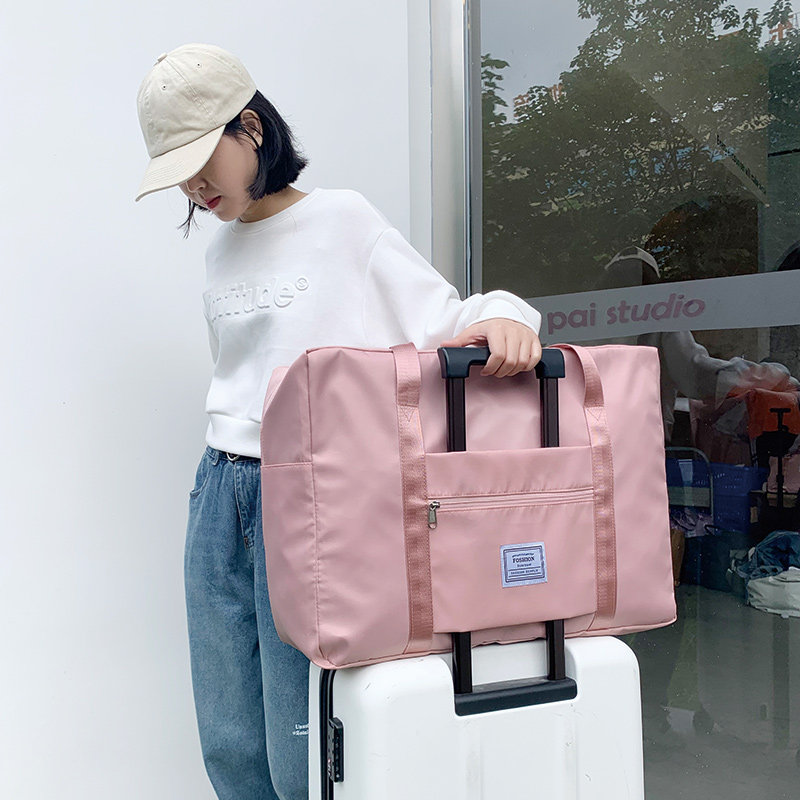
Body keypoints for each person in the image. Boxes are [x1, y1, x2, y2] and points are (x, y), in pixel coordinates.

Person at [135, 43, 542, 800]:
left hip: (309, 495)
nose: (194, 187)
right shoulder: (219, 252)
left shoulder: (344, 221)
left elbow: (443, 317)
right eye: (178, 175)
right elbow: (242, 379)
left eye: (200, 160)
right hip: (217, 491)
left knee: (298, 738)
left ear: (251, 128)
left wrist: (509, 314)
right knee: (227, 733)